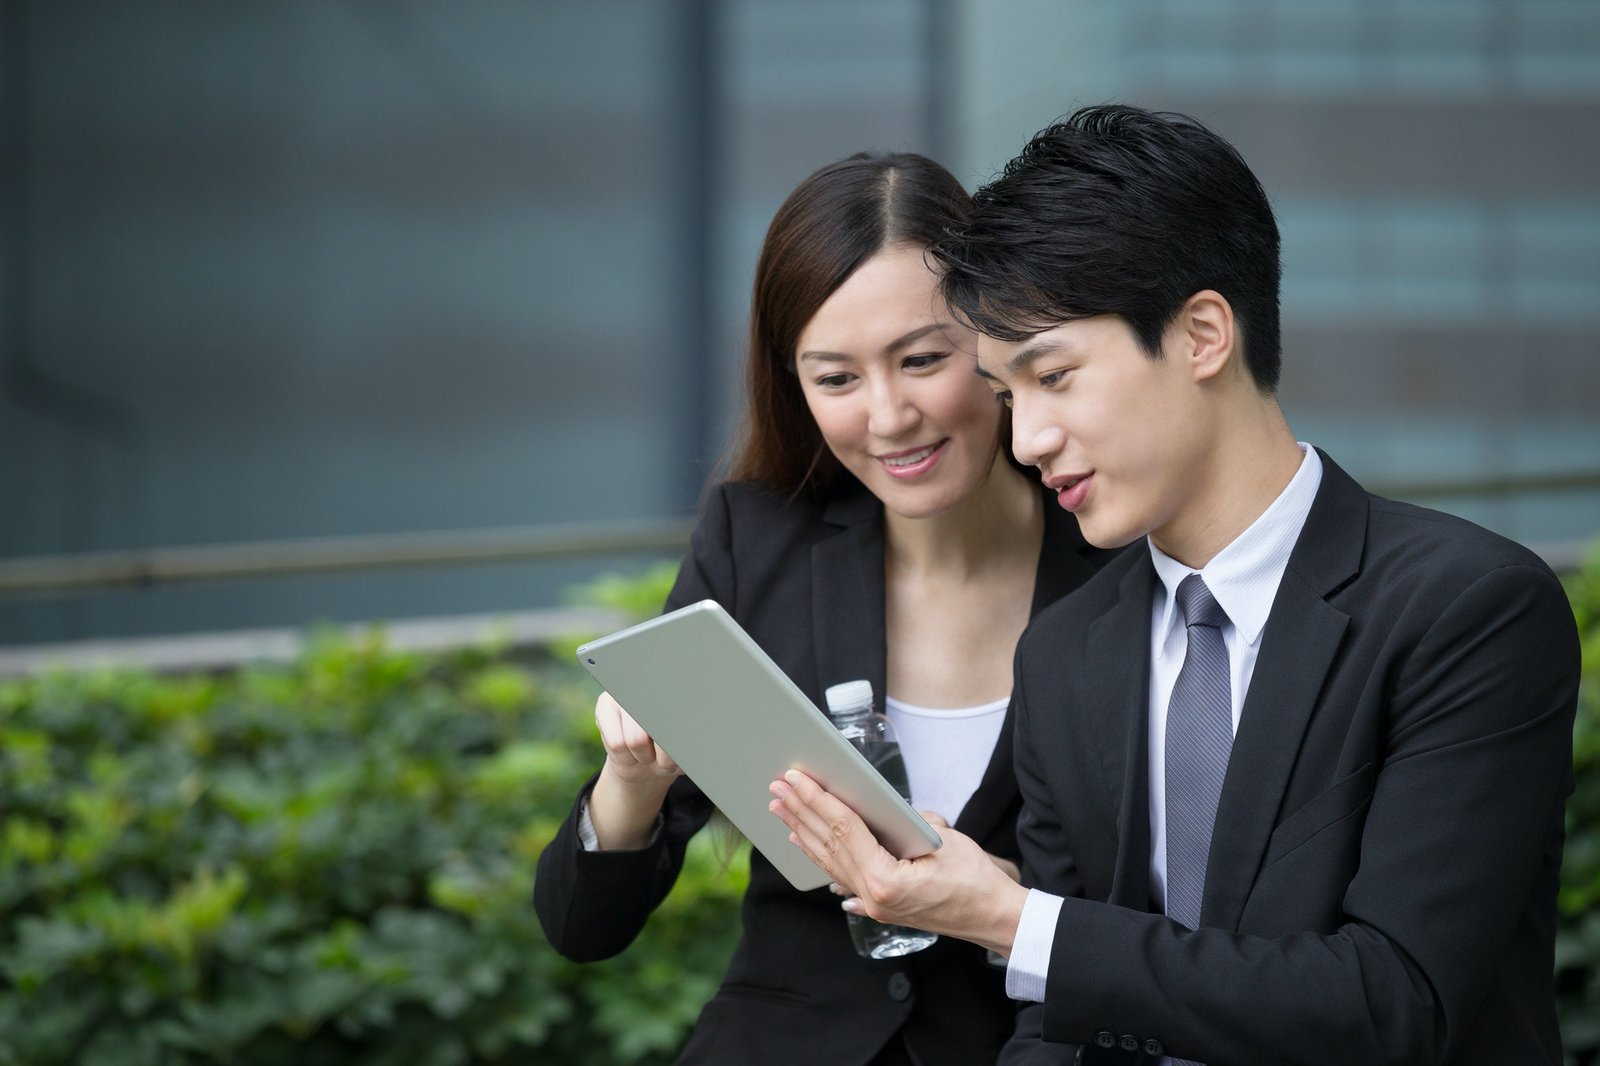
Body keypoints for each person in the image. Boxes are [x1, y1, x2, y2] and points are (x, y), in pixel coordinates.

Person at [769, 105, 1580, 1065]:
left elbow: (1391, 1004)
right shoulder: (1066, 652)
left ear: (1201, 334)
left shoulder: (1467, 610)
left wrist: (1012, 918)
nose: (1026, 441)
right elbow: (1054, 1030)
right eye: (1007, 395)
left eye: (1054, 376)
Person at [534, 150, 1113, 1065]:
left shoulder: (1120, 565)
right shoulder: (757, 543)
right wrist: (632, 784)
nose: (888, 417)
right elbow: (582, 927)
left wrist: (1004, 903)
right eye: (836, 379)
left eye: (922, 360)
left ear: (998, 337)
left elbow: (1179, 910)